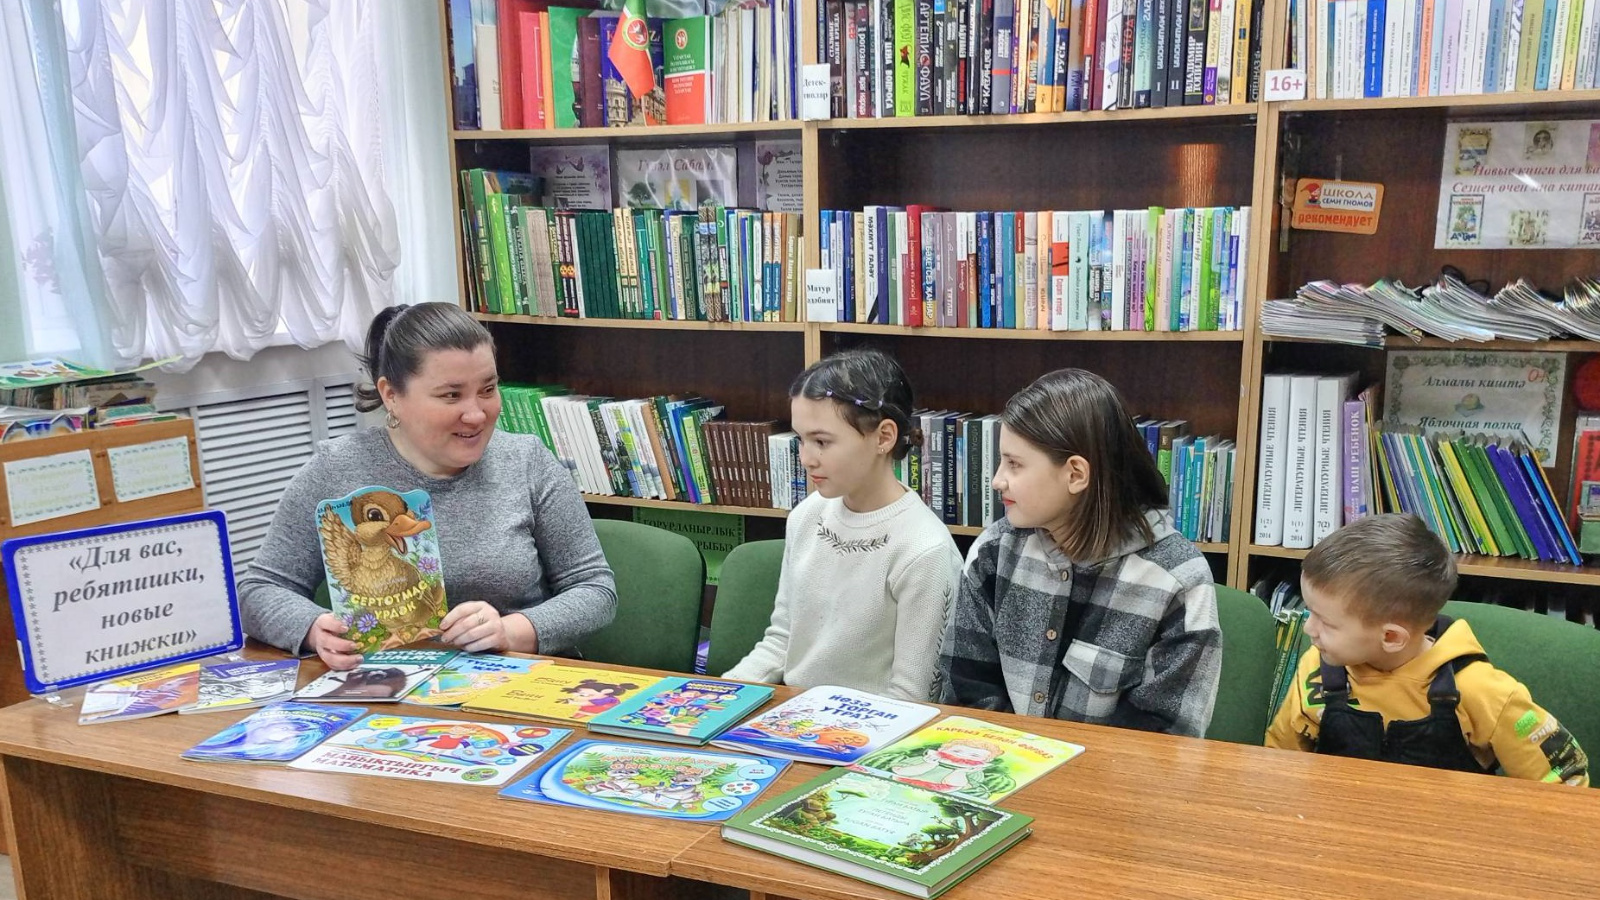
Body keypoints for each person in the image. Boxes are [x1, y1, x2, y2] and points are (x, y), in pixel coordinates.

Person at [238, 302, 616, 669]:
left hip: (515, 682)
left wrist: (511, 631)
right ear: (391, 395)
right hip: (385, 687)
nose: (476, 414)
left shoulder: (527, 461)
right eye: (451, 395)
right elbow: (260, 590)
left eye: (488, 390)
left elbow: (595, 590)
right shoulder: (335, 469)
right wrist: (312, 629)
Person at [934, 368, 1221, 737]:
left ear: (1075, 474)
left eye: (1014, 464)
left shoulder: (1179, 582)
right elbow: (966, 694)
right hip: (997, 763)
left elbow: (1161, 742)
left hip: (1110, 775)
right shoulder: (994, 551)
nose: (996, 480)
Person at [1266, 514, 1589, 785]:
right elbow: (1278, 760)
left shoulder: (1482, 691)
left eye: (1325, 622)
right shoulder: (1316, 669)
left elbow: (1565, 778)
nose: (1308, 629)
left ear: (1391, 637)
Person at [723, 349, 962, 701]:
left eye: (822, 441)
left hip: (874, 726)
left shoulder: (925, 550)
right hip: (794, 715)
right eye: (801, 439)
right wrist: (719, 695)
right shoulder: (807, 516)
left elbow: (913, 697)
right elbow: (782, 642)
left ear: (884, 437)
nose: (806, 458)